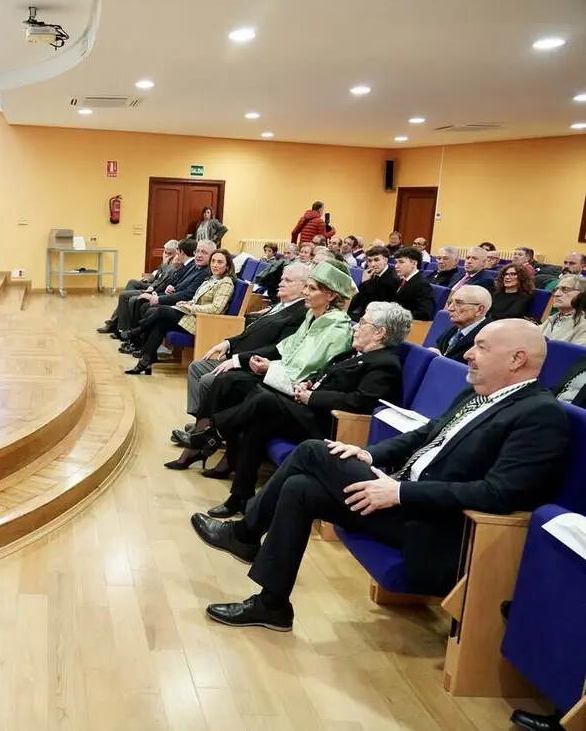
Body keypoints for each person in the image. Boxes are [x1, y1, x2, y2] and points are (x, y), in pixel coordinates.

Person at [194, 319, 568, 631]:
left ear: (518, 359)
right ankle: (272, 604)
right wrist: (368, 452)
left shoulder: (539, 415)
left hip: (440, 530)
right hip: (405, 503)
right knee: (300, 487)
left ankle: (245, 534)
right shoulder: (480, 394)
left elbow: (499, 494)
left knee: (311, 451)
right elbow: (424, 434)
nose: (468, 352)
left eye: (482, 347)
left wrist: (401, 493)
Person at [189, 301, 409, 517]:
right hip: (307, 412)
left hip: (330, 424)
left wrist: (313, 396)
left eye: (362, 323)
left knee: (265, 401)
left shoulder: (385, 363)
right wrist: (310, 383)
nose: (355, 326)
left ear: (380, 333)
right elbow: (324, 372)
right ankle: (239, 497)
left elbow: (360, 402)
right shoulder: (353, 353)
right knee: (260, 418)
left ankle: (213, 431)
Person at [167, 260, 355, 471]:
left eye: (311, 288)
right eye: (306, 286)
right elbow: (288, 348)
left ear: (331, 295)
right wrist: (265, 363)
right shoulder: (313, 315)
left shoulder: (336, 327)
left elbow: (309, 368)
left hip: (299, 391)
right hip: (281, 374)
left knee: (231, 382)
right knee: (226, 379)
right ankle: (205, 442)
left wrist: (268, 367)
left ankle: (210, 440)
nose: (306, 292)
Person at [174, 264, 309, 444]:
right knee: (197, 367)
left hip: (254, 364)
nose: (281, 283)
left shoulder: (300, 313)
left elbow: (279, 348)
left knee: (208, 379)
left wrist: (238, 360)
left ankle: (208, 431)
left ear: (304, 286)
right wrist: (228, 343)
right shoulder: (280, 305)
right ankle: (202, 421)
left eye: (288, 280)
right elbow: (250, 331)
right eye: (282, 278)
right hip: (237, 356)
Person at [124, 247, 235, 374]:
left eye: (220, 262)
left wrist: (191, 308)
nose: (215, 265)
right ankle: (145, 360)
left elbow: (216, 308)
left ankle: (137, 330)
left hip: (206, 323)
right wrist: (188, 303)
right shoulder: (211, 279)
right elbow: (197, 299)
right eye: (213, 261)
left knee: (163, 311)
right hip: (195, 316)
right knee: (161, 323)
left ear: (227, 266)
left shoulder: (226, 283)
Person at [119, 241, 215, 354]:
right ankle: (138, 343)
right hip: (174, 298)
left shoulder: (205, 272)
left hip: (185, 307)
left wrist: (158, 298)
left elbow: (188, 294)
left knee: (149, 308)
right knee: (142, 301)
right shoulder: (195, 266)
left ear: (211, 256)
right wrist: (164, 290)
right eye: (197, 251)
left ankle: (139, 343)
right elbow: (177, 283)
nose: (198, 255)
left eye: (203, 252)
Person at [97, 240, 179, 334]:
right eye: (165, 252)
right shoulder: (166, 260)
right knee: (132, 282)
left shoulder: (174, 263)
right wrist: (149, 279)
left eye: (169, 253)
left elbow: (164, 278)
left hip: (157, 289)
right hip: (153, 284)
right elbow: (157, 275)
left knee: (125, 295)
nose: (166, 254)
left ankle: (117, 325)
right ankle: (116, 322)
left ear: (175, 253)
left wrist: (164, 264)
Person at [430, 286, 492, 362]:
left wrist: (440, 361)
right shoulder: (452, 329)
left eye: (459, 303)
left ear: (479, 310)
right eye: (450, 302)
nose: (450, 308)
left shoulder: (487, 341)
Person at [346, 245, 399, 322]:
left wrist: (365, 283)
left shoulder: (392, 279)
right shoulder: (371, 273)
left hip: (377, 319)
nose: (373, 264)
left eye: (376, 260)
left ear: (385, 260)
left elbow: (376, 304)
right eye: (370, 261)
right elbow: (358, 299)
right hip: (365, 313)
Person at [393, 246, 436, 320]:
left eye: (401, 262)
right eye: (396, 262)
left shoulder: (422, 284)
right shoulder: (402, 280)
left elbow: (424, 313)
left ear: (414, 263)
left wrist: (396, 315)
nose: (396, 266)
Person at [542, 276, 586, 345]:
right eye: (555, 290)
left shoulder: (583, 326)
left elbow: (575, 354)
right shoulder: (553, 318)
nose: (556, 294)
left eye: (565, 289)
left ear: (582, 294)